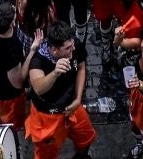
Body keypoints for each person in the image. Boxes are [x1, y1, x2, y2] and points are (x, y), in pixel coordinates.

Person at [26, 19, 97, 159]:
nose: (73, 49)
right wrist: (55, 73)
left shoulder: (73, 44)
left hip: (72, 108)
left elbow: (81, 67)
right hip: (48, 117)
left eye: (72, 45)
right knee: (47, 155)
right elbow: (38, 88)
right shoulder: (38, 61)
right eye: (68, 48)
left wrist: (77, 99)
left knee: (86, 137)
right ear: (54, 49)